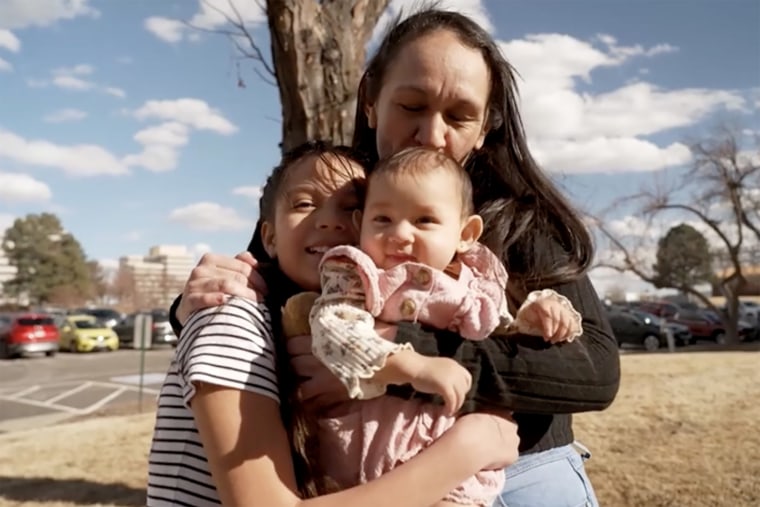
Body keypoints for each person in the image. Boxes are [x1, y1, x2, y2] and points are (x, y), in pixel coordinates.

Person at [169, 8, 620, 507]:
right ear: (371, 103)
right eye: (411, 105)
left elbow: (595, 371)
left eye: (460, 116)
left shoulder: (521, 218)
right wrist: (191, 303)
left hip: (521, 464)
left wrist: (402, 355)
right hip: (371, 479)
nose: (432, 133)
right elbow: (263, 284)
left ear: (486, 127)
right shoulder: (343, 192)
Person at [147, 141, 521, 507]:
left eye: (354, 208)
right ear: (269, 237)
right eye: (304, 203)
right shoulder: (231, 313)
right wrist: (467, 449)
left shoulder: (325, 320)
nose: (329, 220)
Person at [299, 146, 583, 507]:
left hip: (457, 476)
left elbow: (497, 330)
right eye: (382, 219)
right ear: (359, 224)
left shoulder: (472, 288)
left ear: (465, 233)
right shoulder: (358, 275)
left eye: (424, 221)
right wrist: (411, 366)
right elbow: (334, 327)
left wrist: (539, 316)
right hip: (366, 460)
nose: (400, 234)